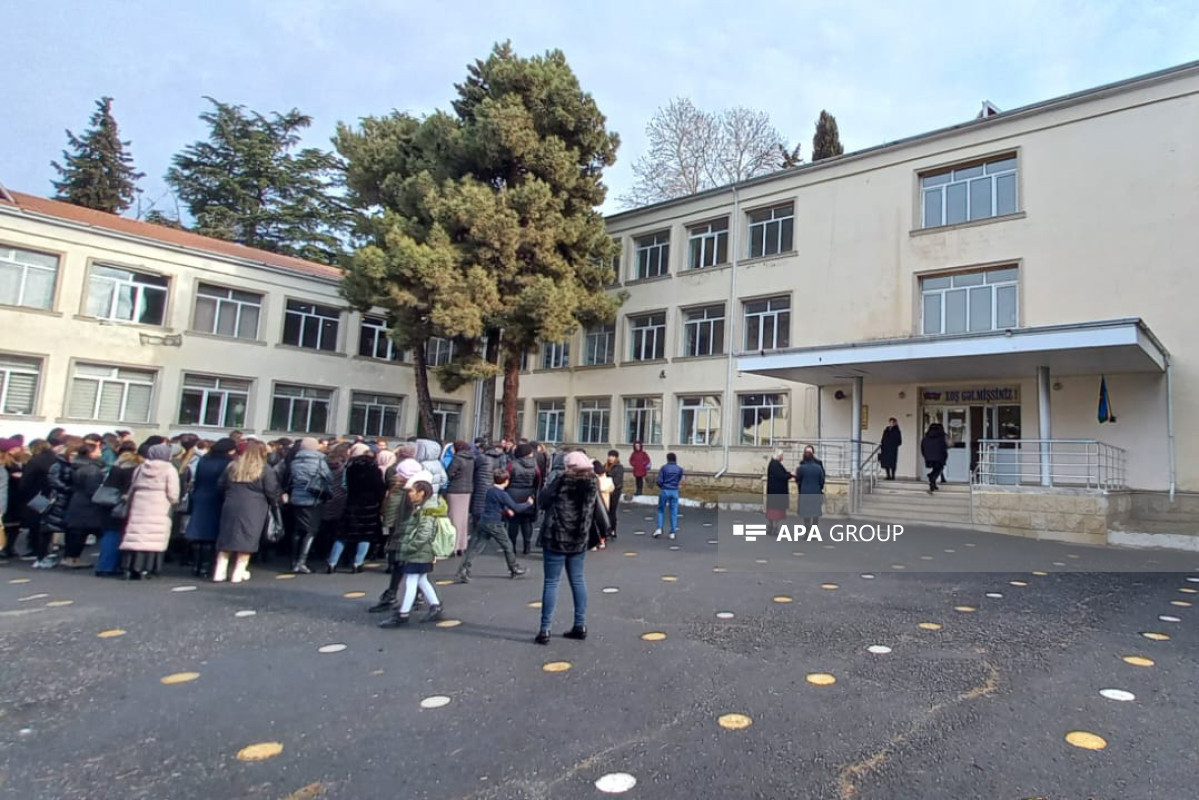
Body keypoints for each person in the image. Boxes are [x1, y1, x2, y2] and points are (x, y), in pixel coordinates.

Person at [534, 451, 608, 644]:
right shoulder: (592, 483)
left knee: (551, 582)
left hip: (556, 537)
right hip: (579, 538)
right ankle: (580, 625)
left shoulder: (560, 481)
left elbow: (543, 501)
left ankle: (545, 629)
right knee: (577, 580)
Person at [379, 474, 445, 627]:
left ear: (421, 493)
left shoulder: (425, 510)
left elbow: (424, 533)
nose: (409, 494)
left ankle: (403, 613)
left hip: (418, 551)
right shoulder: (425, 507)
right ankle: (435, 606)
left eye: (412, 491)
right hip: (423, 552)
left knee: (412, 580)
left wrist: (409, 547)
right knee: (421, 579)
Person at [214, 441, 280, 583]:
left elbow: (220, 486)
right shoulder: (264, 468)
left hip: (231, 504)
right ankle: (238, 572)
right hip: (254, 507)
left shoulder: (232, 466)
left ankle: (219, 572)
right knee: (248, 539)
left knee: (227, 538)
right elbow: (271, 491)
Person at [371, 457, 424, 614]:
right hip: (401, 532)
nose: (396, 475)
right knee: (402, 565)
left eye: (400, 473)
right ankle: (408, 596)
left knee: (406, 566)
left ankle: (400, 599)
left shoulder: (411, 492)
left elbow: (408, 515)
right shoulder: (404, 489)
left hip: (406, 533)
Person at [456, 471, 530, 582]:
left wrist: (505, 510)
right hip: (495, 523)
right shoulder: (503, 494)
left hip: (484, 521)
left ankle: (463, 569)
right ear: (506, 481)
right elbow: (516, 507)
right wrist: (528, 503)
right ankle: (514, 568)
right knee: (507, 545)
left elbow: (495, 504)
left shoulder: (490, 491)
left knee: (476, 547)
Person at [121, 443, 181, 580]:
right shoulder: (169, 469)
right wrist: (174, 502)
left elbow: (133, 485)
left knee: (136, 534)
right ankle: (146, 568)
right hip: (160, 504)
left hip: (139, 502)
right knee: (153, 537)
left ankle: (129, 567)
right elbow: (173, 492)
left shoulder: (141, 467)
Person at [329, 443, 385, 574]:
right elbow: (380, 488)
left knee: (342, 535)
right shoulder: (374, 470)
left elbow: (346, 485)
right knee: (365, 536)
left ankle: (332, 562)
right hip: (369, 506)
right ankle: (357, 563)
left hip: (351, 503)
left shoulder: (350, 469)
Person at [185, 438, 237, 576]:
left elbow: (197, 479)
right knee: (211, 534)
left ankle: (196, 565)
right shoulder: (227, 462)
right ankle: (206, 566)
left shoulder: (204, 460)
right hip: (216, 498)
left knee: (198, 532)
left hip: (200, 495)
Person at [287, 437, 334, 573]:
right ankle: (302, 562)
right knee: (311, 531)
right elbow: (328, 478)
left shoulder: (295, 461)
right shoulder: (319, 461)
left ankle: (293, 561)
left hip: (296, 497)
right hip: (313, 499)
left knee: (297, 530)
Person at [95, 441, 138, 576]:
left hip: (105, 504)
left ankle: (103, 565)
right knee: (115, 535)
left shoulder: (113, 470)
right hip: (119, 505)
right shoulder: (130, 472)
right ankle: (108, 567)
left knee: (108, 535)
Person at [63, 442, 105, 569]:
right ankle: (73, 558)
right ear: (90, 453)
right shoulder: (92, 469)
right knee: (82, 532)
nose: (100, 452)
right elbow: (93, 489)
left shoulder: (77, 465)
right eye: (98, 450)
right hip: (87, 504)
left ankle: (70, 557)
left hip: (77, 500)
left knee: (75, 531)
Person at [506, 443, 541, 555]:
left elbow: (506, 478)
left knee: (513, 521)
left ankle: (512, 546)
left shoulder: (512, 464)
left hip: (513, 493)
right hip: (528, 493)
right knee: (526, 521)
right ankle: (527, 545)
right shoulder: (535, 465)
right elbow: (538, 480)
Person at [445, 439, 475, 555]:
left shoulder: (457, 459)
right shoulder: (471, 458)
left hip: (455, 489)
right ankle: (462, 545)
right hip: (467, 490)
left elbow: (449, 473)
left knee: (453, 517)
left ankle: (454, 545)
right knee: (463, 518)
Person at [653, 452, 684, 540]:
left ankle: (659, 528)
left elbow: (659, 481)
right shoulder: (679, 469)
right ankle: (672, 532)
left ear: (667, 459)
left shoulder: (664, 468)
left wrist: (662, 486)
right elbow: (679, 479)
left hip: (665, 490)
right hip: (674, 491)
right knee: (674, 511)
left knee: (661, 510)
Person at [795, 448, 826, 528]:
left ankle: (807, 528)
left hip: (805, 493)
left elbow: (797, 480)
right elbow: (822, 480)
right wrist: (819, 488)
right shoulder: (818, 468)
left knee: (806, 513)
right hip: (816, 492)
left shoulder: (801, 468)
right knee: (815, 513)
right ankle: (814, 528)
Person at [765, 450, 792, 537]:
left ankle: (770, 527)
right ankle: (774, 528)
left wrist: (788, 474)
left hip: (773, 491)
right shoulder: (776, 465)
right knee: (776, 512)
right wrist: (790, 474)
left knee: (772, 511)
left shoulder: (773, 464)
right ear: (779, 456)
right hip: (777, 492)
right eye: (782, 456)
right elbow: (781, 476)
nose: (782, 457)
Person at [921, 422, 949, 493]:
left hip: (929, 457)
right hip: (939, 457)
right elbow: (944, 447)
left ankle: (933, 483)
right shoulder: (942, 437)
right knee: (939, 468)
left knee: (935, 469)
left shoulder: (926, 437)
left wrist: (925, 456)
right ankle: (931, 477)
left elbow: (922, 447)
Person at [593, 461, 614, 550]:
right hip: (605, 503)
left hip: (597, 504)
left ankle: (596, 542)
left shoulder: (595, 479)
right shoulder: (607, 479)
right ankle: (603, 540)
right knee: (602, 522)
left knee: (595, 524)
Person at [605, 450, 624, 540]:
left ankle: (613, 529)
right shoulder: (605, 466)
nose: (610, 458)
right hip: (605, 492)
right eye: (609, 456)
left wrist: (609, 480)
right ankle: (606, 529)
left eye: (613, 456)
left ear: (616, 458)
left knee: (612, 511)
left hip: (614, 492)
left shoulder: (619, 467)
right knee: (605, 511)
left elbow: (618, 481)